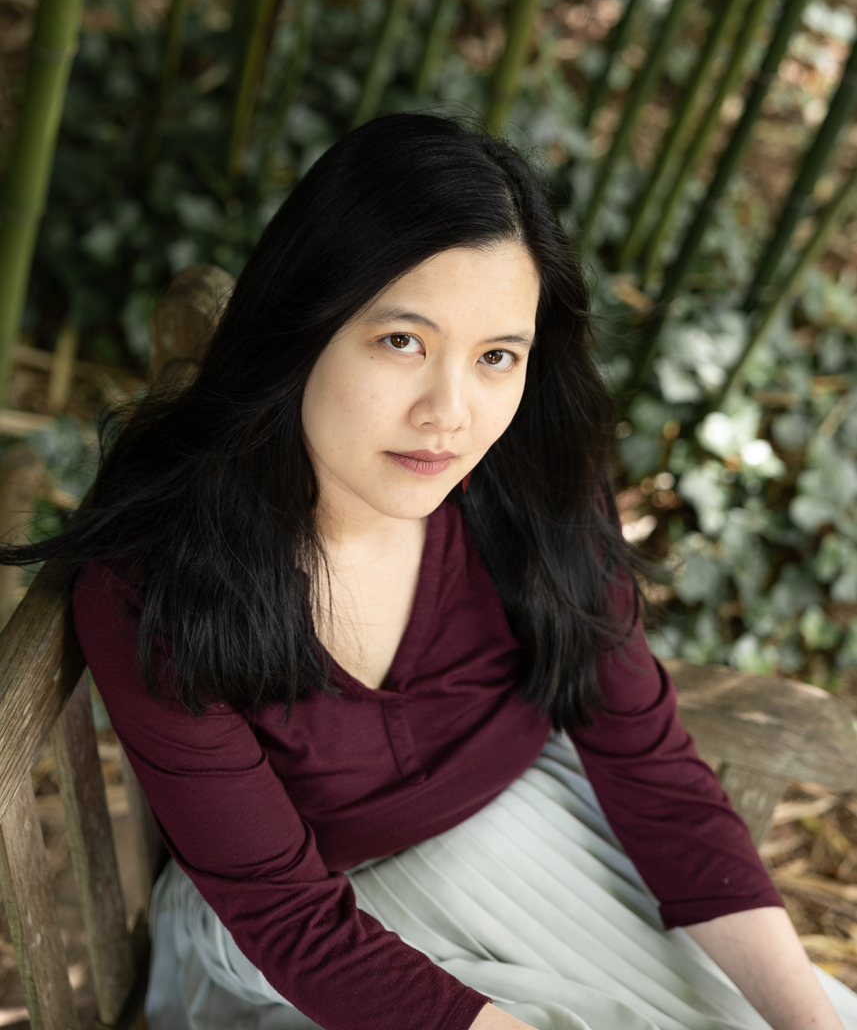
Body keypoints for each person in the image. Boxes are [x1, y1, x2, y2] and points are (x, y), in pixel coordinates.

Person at [5, 114, 855, 1030]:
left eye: (496, 357)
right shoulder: (159, 584)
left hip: (542, 842)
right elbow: (289, 921)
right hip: (310, 943)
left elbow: (653, 776)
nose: (448, 413)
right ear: (303, 324)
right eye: (402, 341)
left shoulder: (534, 483)